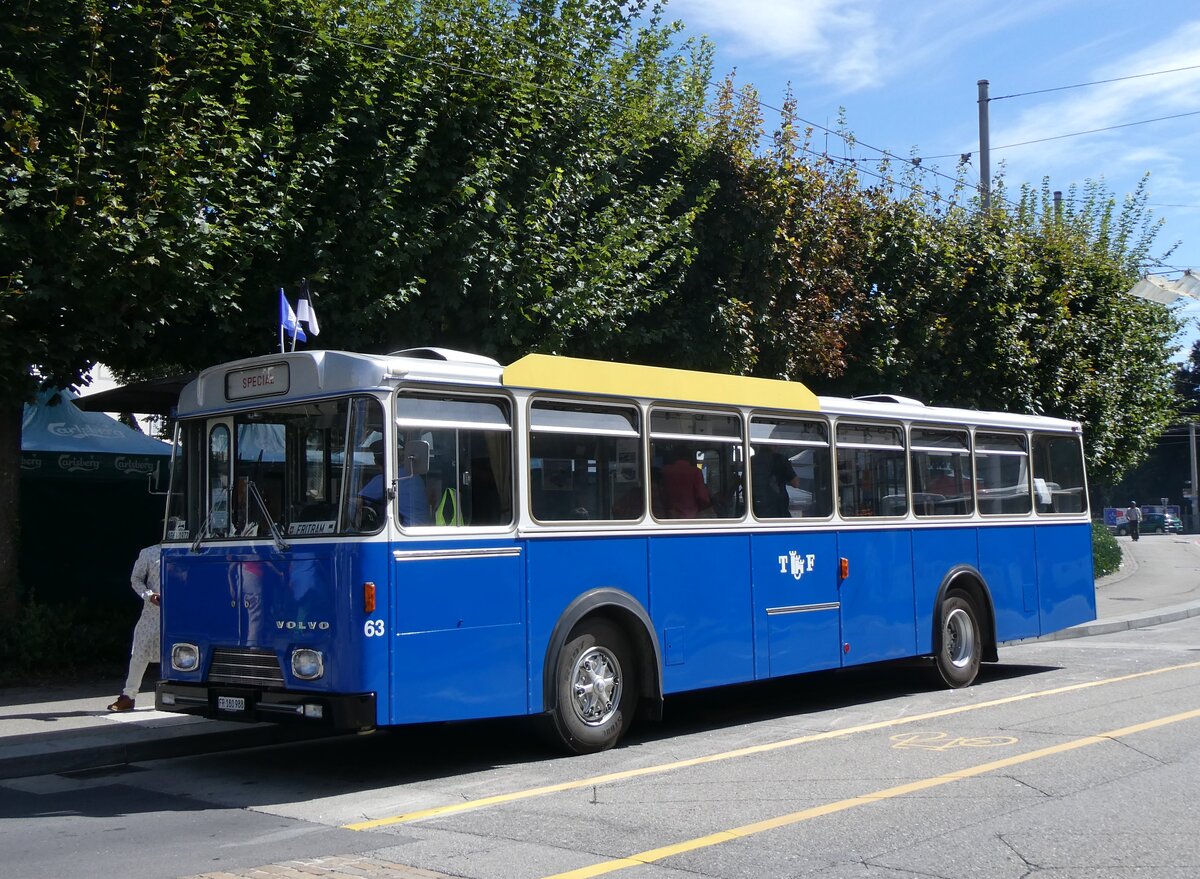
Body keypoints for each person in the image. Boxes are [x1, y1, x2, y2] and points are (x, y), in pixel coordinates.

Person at [108, 543, 162, 712]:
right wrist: (149, 595)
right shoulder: (149, 552)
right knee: (140, 649)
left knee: (184, 653)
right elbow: (136, 578)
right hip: (154, 612)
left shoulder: (191, 551)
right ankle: (128, 696)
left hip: (183, 612)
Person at [358, 440, 430, 527]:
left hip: (404, 529)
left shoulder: (385, 479)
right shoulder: (414, 476)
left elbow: (357, 501)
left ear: (376, 462)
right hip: (422, 528)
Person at [661, 445, 712, 519]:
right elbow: (703, 497)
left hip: (669, 516)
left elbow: (662, 494)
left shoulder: (665, 471)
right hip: (690, 517)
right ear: (690, 457)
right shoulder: (695, 472)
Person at [752, 446, 800, 518]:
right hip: (778, 509)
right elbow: (796, 483)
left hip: (756, 509)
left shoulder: (751, 460)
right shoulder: (780, 459)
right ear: (774, 446)